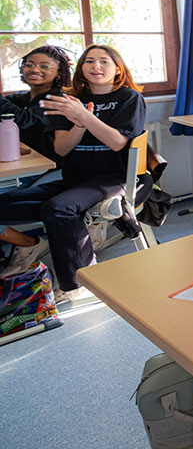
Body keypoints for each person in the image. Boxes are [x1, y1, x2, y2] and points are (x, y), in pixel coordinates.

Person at [0, 44, 145, 303]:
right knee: (11, 204)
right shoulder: (69, 100)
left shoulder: (129, 98)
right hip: (76, 178)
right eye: (89, 61)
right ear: (81, 68)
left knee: (59, 209)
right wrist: (77, 123)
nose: (96, 66)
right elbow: (61, 148)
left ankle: (79, 283)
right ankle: (34, 243)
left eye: (104, 61)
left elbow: (117, 142)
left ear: (118, 68)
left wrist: (84, 116)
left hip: (113, 178)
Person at [0, 45, 73, 272]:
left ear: (58, 74)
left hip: (50, 172)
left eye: (44, 66)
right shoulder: (24, 97)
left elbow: (23, 120)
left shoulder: (56, 100)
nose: (34, 69)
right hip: (24, 167)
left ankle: (30, 244)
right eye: (29, 65)